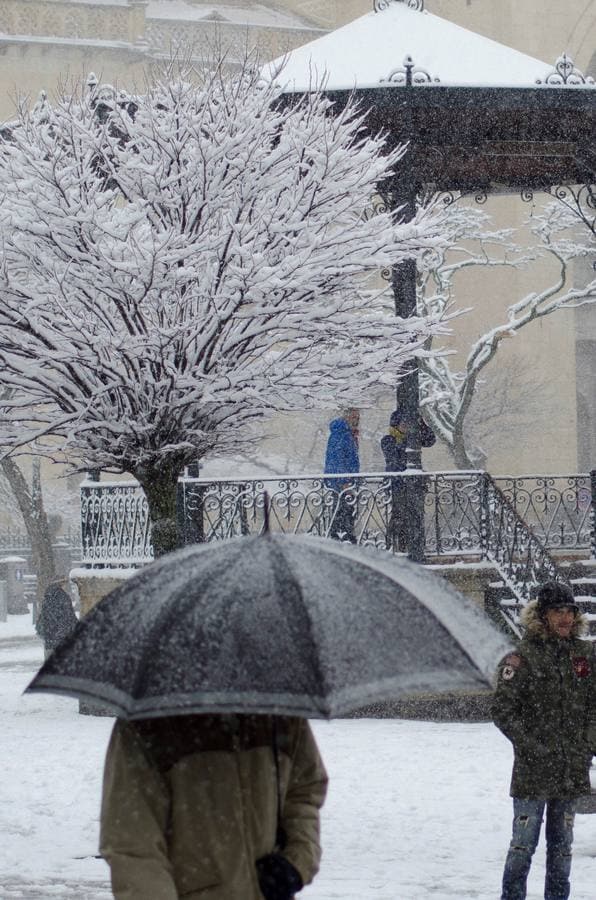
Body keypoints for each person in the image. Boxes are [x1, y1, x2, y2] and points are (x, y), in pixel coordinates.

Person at [100, 712, 328, 900]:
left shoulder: (281, 714)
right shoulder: (145, 725)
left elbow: (304, 790)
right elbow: (133, 845)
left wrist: (296, 862)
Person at [493, 580, 596, 900]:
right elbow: (503, 711)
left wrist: (586, 745)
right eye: (557, 611)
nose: (565, 618)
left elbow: (593, 706)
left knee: (562, 850)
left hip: (570, 770)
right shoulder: (521, 657)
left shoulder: (585, 653)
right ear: (543, 615)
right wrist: (533, 747)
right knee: (523, 847)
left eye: (569, 611)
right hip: (532, 772)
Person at [380, 408, 435, 552]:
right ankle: (397, 545)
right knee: (400, 515)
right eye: (403, 423)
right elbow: (395, 459)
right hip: (398, 484)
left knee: (415, 515)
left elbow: (430, 440)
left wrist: (421, 423)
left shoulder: (412, 438)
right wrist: (409, 438)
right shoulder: (388, 440)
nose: (406, 426)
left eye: (408, 423)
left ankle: (415, 545)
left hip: (414, 485)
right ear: (396, 424)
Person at [323, 407, 360, 542]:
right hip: (341, 484)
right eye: (353, 417)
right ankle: (344, 541)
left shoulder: (347, 434)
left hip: (345, 482)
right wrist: (345, 482)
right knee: (343, 514)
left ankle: (343, 539)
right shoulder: (341, 434)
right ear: (346, 417)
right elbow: (337, 459)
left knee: (344, 513)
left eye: (358, 418)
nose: (356, 421)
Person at [35, 577, 78, 659]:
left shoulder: (47, 595)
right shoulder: (63, 597)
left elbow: (44, 615)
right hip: (61, 635)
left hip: (49, 635)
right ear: (61, 584)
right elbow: (69, 615)